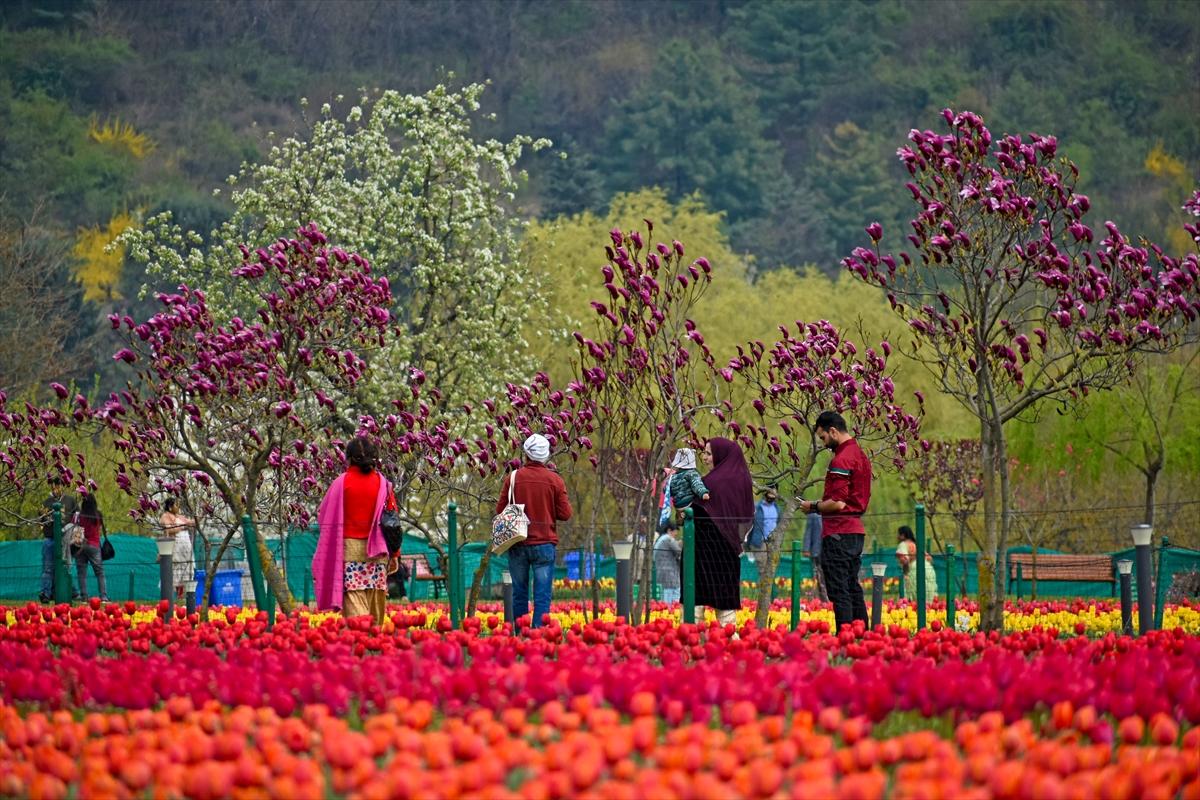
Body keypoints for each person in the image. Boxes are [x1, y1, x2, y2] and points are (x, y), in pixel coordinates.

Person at [312, 437, 400, 626]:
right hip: (378, 553)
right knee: (375, 599)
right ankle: (376, 642)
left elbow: (324, 518)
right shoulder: (384, 485)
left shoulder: (340, 484)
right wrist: (395, 554)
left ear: (349, 458)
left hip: (349, 551)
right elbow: (392, 521)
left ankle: (360, 642)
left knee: (354, 600)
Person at [800, 411, 872, 631]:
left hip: (838, 531)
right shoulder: (861, 456)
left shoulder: (841, 459)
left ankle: (845, 637)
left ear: (833, 431)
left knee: (839, 590)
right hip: (855, 530)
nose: (823, 443)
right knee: (852, 587)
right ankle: (862, 635)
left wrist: (812, 506)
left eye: (823, 437)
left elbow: (838, 502)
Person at [497, 433, 573, 630]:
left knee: (519, 592)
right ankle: (539, 635)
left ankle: (521, 634)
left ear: (526, 455)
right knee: (542, 595)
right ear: (546, 455)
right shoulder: (555, 480)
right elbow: (565, 514)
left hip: (517, 543)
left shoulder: (513, 478)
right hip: (544, 544)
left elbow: (500, 511)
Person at [694, 437, 754, 629]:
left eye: (709, 453)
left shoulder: (709, 483)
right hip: (729, 551)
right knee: (725, 602)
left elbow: (694, 510)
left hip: (702, 550)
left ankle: (692, 637)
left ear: (721, 456)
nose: (704, 458)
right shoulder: (743, 480)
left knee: (696, 598)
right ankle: (730, 638)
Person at [39, 479, 78, 603]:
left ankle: (71, 592)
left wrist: (74, 535)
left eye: (59, 485)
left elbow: (78, 516)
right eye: (54, 485)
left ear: (63, 486)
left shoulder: (70, 500)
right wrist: (47, 520)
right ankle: (46, 593)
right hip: (50, 540)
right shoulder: (46, 502)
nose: (56, 488)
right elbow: (41, 520)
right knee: (48, 568)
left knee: (66, 566)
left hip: (66, 540)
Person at [74, 494, 108, 602]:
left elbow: (76, 529)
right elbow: (100, 530)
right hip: (94, 545)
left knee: (81, 573)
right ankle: (103, 597)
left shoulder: (80, 516)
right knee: (100, 572)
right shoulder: (98, 515)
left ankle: (84, 596)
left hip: (81, 545)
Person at [160, 498, 195, 602]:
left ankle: (183, 595)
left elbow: (191, 522)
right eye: (176, 505)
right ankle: (170, 597)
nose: (178, 507)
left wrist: (203, 513)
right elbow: (169, 529)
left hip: (186, 548)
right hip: (176, 546)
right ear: (170, 507)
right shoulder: (165, 516)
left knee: (187, 568)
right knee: (175, 569)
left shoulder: (180, 517)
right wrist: (182, 526)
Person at [896, 525, 938, 601]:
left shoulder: (903, 545)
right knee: (927, 595)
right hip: (928, 569)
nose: (897, 537)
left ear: (903, 535)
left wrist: (905, 573)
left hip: (914, 571)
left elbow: (905, 560)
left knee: (913, 596)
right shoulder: (917, 544)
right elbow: (929, 558)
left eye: (898, 534)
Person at [653, 521, 683, 604]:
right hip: (670, 576)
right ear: (669, 530)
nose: (676, 535)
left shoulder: (660, 539)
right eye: (675, 532)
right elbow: (679, 551)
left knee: (664, 600)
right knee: (672, 602)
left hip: (662, 574)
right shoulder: (668, 539)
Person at [802, 508, 828, 601]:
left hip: (830, 550)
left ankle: (829, 598)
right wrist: (806, 548)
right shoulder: (813, 515)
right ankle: (823, 598)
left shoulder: (833, 513)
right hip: (817, 550)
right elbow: (808, 532)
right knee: (819, 575)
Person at [747, 486, 780, 551]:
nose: (771, 495)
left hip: (773, 543)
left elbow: (779, 524)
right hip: (759, 543)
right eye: (770, 492)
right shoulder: (756, 507)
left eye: (773, 493)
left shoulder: (777, 509)